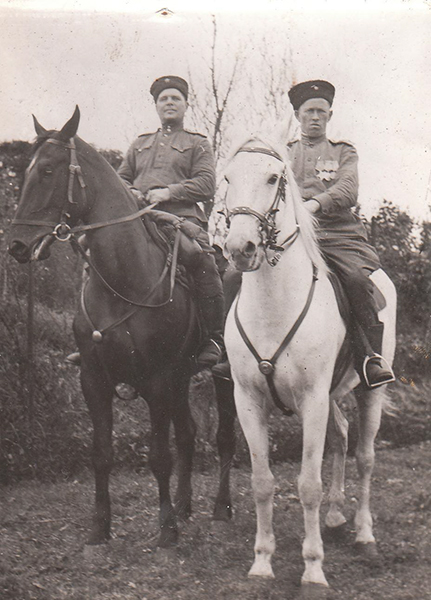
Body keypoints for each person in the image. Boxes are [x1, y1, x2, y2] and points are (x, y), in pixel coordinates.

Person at [213, 79, 395, 390]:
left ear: (329, 115)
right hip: (288, 238)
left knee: (354, 279)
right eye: (308, 111)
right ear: (297, 115)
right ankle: (228, 353)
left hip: (337, 237)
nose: (315, 117)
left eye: (321, 112)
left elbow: (348, 189)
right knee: (231, 277)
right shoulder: (281, 154)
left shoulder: (343, 152)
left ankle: (369, 356)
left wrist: (314, 204)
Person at [67, 75, 224, 370]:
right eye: (163, 99)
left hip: (180, 219)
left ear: (186, 104)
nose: (169, 103)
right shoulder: (140, 144)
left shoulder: (197, 143)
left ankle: (214, 339)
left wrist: (169, 191)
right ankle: (89, 335)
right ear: (155, 105)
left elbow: (207, 183)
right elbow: (119, 180)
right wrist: (133, 193)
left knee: (202, 259)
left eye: (175, 98)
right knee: (92, 252)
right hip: (137, 219)